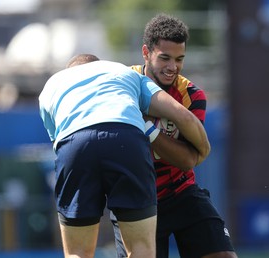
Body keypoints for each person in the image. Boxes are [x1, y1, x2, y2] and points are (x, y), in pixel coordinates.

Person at [38, 54, 210, 258]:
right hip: (125, 139)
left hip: (75, 145)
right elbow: (182, 115)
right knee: (141, 249)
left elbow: (59, 141)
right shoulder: (123, 71)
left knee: (77, 253)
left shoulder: (51, 85)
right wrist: (202, 151)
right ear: (100, 65)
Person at [111, 14, 238, 258]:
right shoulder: (122, 85)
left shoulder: (192, 95)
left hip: (180, 192)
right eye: (165, 58)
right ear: (146, 52)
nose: (173, 67)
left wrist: (147, 127)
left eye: (179, 59)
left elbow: (187, 159)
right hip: (135, 201)